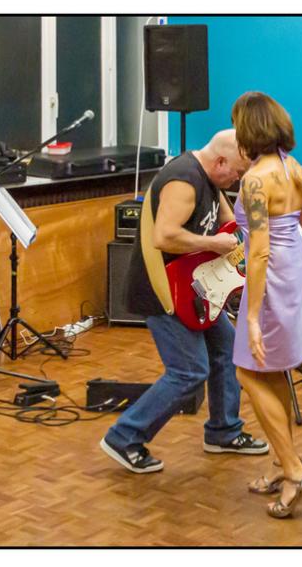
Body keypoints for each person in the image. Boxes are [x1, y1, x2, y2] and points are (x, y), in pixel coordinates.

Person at [100, 130, 269, 473]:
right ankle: (124, 436)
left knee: (227, 350)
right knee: (189, 372)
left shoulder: (211, 178)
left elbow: (228, 225)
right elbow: (164, 237)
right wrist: (213, 245)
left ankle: (223, 431)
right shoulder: (184, 180)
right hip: (165, 291)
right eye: (236, 173)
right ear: (220, 161)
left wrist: (254, 235)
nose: (236, 180)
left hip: (196, 287)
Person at [231, 91, 302, 519]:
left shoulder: (254, 180)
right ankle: (280, 465)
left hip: (270, 278)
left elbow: (260, 251)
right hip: (297, 271)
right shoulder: (293, 167)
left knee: (247, 371)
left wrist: (252, 316)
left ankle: (296, 471)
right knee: (275, 370)